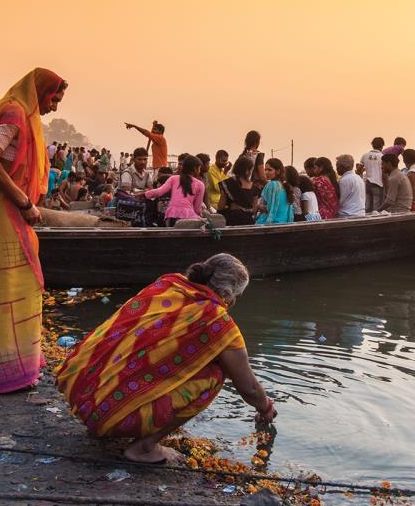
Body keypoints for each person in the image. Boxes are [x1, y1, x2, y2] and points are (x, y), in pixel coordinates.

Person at [55, 254, 276, 464]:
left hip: (78, 392)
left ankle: (108, 415)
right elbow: (249, 388)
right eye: (236, 296)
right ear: (228, 294)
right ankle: (144, 447)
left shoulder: (168, 283)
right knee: (216, 375)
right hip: (109, 417)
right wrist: (265, 407)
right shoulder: (218, 323)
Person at [0, 68, 67, 394]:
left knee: (19, 286)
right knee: (2, 287)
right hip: (2, 214)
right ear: (39, 91)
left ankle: (16, 366)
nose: (55, 107)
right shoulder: (14, 113)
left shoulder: (24, 116)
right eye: (54, 98)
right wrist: (22, 200)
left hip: (14, 215)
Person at [137, 155, 205, 226]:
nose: (199, 171)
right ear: (195, 169)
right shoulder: (200, 185)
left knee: (172, 235)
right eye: (199, 168)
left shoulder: (174, 178)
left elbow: (159, 192)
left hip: (171, 215)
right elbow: (197, 209)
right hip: (188, 216)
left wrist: (143, 194)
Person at [217, 156, 256, 226]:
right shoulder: (255, 187)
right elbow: (254, 210)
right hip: (248, 223)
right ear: (247, 170)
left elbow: (221, 206)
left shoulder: (227, 183)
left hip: (231, 222)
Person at [255, 158, 294, 225]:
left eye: (270, 170)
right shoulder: (285, 186)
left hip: (271, 223)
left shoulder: (272, 185)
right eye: (265, 170)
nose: (266, 172)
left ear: (278, 171)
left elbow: (269, 209)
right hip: (284, 223)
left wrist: (257, 206)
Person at [360, 138, 385, 213]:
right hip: (378, 184)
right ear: (382, 146)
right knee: (376, 208)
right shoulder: (382, 157)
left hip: (367, 183)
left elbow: (359, 169)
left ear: (372, 145)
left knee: (367, 207)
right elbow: (384, 173)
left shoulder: (365, 155)